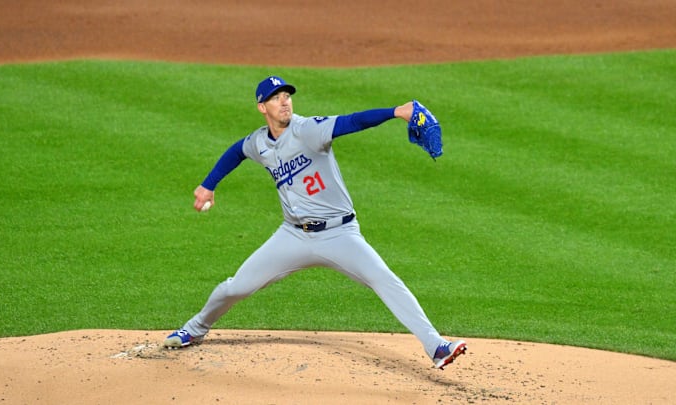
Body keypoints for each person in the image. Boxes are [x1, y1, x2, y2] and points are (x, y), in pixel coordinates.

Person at [164, 76, 467, 370]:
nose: (284, 102)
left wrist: (396, 112)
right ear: (262, 107)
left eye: (287, 96)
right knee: (237, 287)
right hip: (292, 237)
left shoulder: (308, 129)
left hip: (339, 234)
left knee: (384, 279)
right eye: (276, 98)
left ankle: (436, 346)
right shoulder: (259, 142)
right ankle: (194, 329)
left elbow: (353, 122)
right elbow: (236, 152)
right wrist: (208, 185)